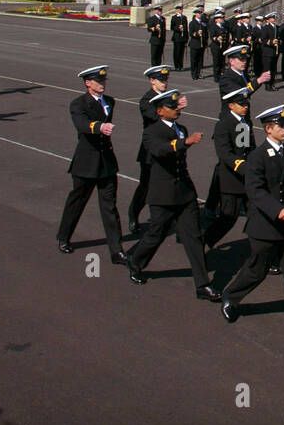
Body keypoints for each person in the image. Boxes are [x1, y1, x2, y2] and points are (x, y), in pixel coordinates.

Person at [221, 103, 284, 329]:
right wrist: (277, 209)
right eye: (281, 126)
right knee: (257, 270)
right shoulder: (257, 157)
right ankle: (231, 296)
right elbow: (255, 191)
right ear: (269, 129)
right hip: (265, 226)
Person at [125, 89, 221, 301]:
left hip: (184, 193)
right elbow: (159, 151)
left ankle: (202, 285)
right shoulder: (152, 132)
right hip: (163, 194)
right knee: (156, 234)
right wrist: (183, 143)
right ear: (160, 111)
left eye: (176, 106)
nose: (176, 110)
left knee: (193, 237)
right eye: (171, 107)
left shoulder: (181, 128)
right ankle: (136, 261)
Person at [55, 65, 127, 266]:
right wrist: (99, 127)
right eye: (98, 81)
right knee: (77, 201)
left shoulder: (110, 102)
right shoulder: (78, 104)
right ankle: (64, 236)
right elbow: (81, 125)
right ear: (88, 83)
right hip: (86, 162)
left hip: (106, 162)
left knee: (109, 207)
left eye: (103, 80)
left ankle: (116, 250)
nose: (102, 84)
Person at [207, 89, 255, 251]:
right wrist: (241, 166)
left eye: (246, 104)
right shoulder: (223, 124)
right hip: (231, 179)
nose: (245, 107)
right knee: (228, 218)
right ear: (231, 106)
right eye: (241, 104)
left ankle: (263, 250)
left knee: (256, 215)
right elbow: (224, 154)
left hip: (247, 177)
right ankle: (204, 241)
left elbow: (249, 148)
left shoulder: (245, 123)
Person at [127, 65, 173, 233]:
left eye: (166, 79)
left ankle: (162, 218)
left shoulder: (168, 98)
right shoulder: (147, 100)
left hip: (167, 148)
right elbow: (154, 117)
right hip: (150, 151)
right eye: (161, 80)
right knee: (146, 186)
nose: (165, 82)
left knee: (166, 185)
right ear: (152, 81)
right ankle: (133, 214)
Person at [188, 5, 208, 80]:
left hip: (201, 44)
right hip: (194, 43)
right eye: (198, 13)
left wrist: (205, 42)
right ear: (195, 14)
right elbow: (191, 33)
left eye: (200, 13)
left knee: (200, 60)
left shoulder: (202, 23)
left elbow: (205, 33)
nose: (200, 15)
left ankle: (199, 73)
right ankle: (193, 74)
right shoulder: (192, 23)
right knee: (194, 60)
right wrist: (197, 33)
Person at [169, 4, 188, 71]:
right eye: (179, 9)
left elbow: (186, 27)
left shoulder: (184, 17)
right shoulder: (174, 17)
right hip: (177, 37)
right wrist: (178, 28)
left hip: (183, 37)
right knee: (176, 52)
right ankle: (176, 65)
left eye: (181, 9)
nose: (181, 11)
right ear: (177, 10)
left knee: (181, 52)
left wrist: (186, 38)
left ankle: (181, 65)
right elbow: (172, 27)